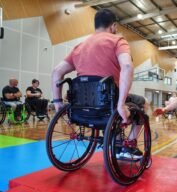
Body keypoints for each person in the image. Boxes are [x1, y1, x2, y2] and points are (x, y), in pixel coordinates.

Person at [51, 9, 147, 159]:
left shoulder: (79, 46)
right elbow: (127, 67)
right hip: (108, 100)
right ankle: (129, 145)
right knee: (142, 102)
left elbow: (57, 71)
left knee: (107, 101)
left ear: (95, 25)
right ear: (113, 26)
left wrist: (57, 102)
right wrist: (121, 104)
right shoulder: (118, 41)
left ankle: (116, 139)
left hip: (82, 104)